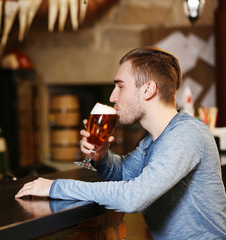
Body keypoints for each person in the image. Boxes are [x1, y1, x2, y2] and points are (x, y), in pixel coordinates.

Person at [15, 46, 226, 239]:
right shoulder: (152, 142)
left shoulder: (186, 134)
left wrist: (56, 187)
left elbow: (133, 197)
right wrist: (101, 157)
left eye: (120, 86)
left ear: (148, 90)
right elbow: (123, 174)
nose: (112, 96)